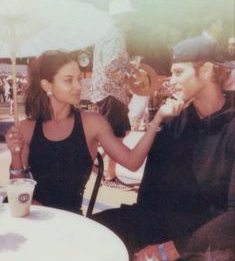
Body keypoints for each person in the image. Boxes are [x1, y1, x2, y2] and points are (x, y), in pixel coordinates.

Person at [91, 38, 235, 261]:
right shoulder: (173, 120)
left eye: (179, 72)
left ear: (206, 71)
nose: (172, 81)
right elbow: (150, 189)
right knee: (94, 231)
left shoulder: (231, 126)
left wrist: (172, 248)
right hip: (161, 222)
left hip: (209, 237)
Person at [4, 50, 184, 215]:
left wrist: (157, 119)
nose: (78, 86)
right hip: (31, 214)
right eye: (68, 80)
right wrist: (16, 154)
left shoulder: (91, 123)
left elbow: (132, 162)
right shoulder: (27, 128)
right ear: (47, 85)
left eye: (78, 79)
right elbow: (18, 188)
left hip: (70, 222)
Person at [90, 0, 135, 186]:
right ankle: (108, 174)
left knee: (110, 135)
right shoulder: (116, 35)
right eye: (130, 15)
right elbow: (111, 68)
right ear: (122, 17)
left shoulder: (105, 34)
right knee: (114, 136)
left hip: (103, 93)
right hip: (112, 93)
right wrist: (129, 71)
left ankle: (98, 166)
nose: (133, 19)